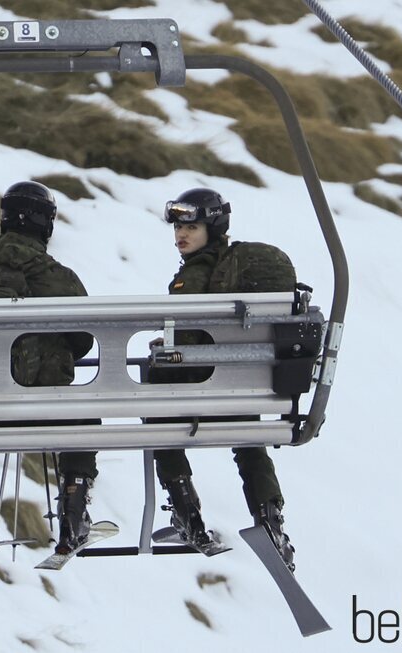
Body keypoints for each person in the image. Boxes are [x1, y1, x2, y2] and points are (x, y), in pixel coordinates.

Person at [0, 181, 99, 554]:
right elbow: (84, 338)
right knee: (86, 413)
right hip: (41, 408)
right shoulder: (58, 278)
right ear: (46, 224)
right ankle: (74, 507)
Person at [150, 188, 296, 570]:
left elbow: (187, 341)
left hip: (201, 389)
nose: (181, 235)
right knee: (247, 437)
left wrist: (163, 346)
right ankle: (269, 518)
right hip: (246, 392)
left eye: (192, 227)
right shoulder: (237, 270)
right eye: (178, 227)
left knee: (155, 407)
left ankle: (186, 511)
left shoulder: (195, 276)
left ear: (211, 228)